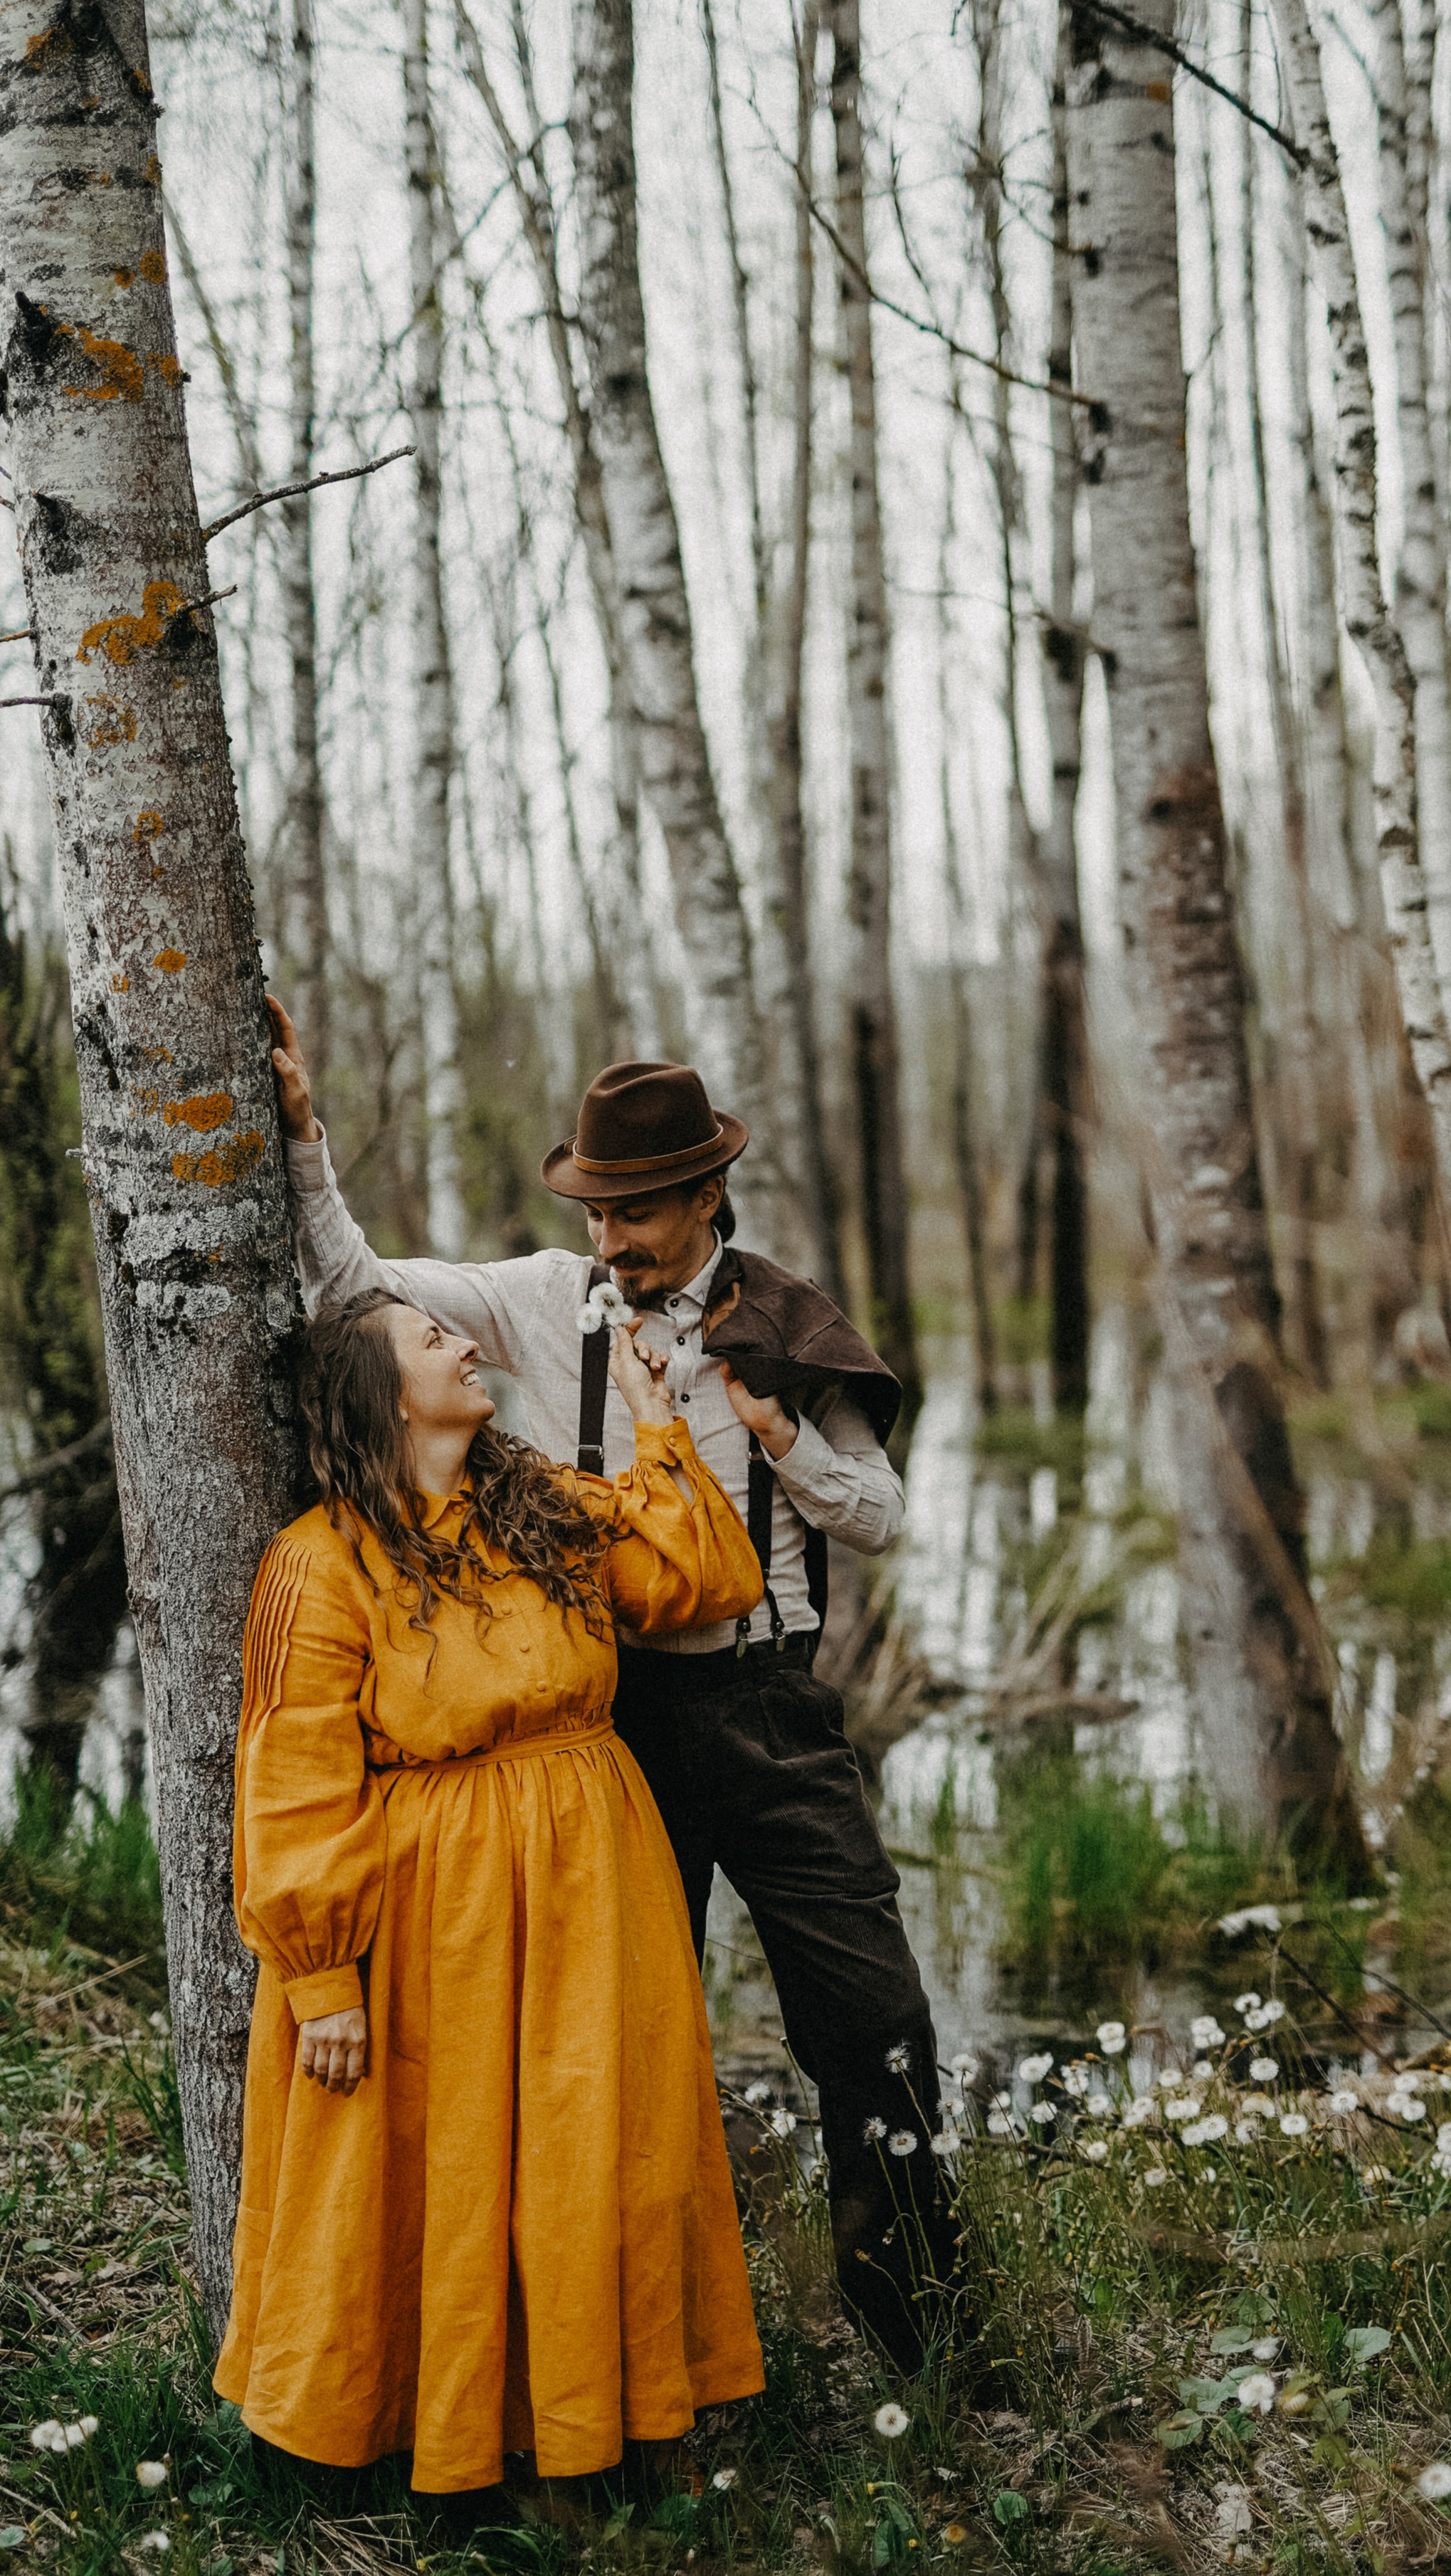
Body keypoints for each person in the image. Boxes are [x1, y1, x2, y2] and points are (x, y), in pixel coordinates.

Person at [263, 1002, 960, 2370]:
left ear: (706, 1196)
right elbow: (358, 1286)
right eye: (595, 1209)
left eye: (636, 1210)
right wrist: (301, 1142)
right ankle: (626, 2357)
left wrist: (780, 1439)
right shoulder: (538, 1298)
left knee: (874, 2022)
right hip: (608, 1726)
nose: (611, 1238)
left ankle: (918, 2346)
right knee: (613, 2050)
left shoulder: (792, 1323)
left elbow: (878, 1518)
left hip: (769, 1712)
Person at [213, 1288, 767, 2497]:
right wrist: (321, 1977)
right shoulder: (322, 1561)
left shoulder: (541, 1508)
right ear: (381, 1398)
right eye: (432, 1340)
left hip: (595, 1886)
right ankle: (432, 2451)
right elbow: (292, 1779)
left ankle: (593, 2437)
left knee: (593, 2152)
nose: (467, 1344)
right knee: (446, 2170)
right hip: (442, 1916)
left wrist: (653, 1420)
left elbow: (708, 1578)